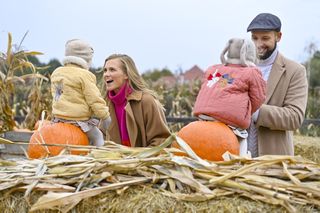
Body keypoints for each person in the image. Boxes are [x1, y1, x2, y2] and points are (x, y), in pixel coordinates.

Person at [246, 13, 308, 156]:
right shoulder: (241, 68)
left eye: (265, 38)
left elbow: (294, 117)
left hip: (274, 162)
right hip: (237, 161)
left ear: (278, 37)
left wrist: (254, 111)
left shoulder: (295, 71)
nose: (258, 44)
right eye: (254, 38)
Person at [193, 38, 266, 156]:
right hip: (229, 119)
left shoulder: (214, 69)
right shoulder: (251, 72)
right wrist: (247, 111)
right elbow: (258, 98)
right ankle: (241, 160)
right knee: (242, 137)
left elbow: (215, 86)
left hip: (203, 115)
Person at [51, 39, 111, 147]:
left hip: (58, 119)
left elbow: (55, 95)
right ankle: (98, 157)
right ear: (86, 59)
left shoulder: (57, 72)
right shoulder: (84, 75)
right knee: (97, 136)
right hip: (77, 120)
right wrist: (105, 116)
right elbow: (94, 99)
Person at [102, 54, 171, 147]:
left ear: (126, 74)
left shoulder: (146, 101)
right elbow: (101, 139)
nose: (106, 74)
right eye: (105, 70)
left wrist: (142, 159)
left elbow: (161, 140)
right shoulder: (105, 104)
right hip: (116, 160)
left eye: (112, 70)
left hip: (144, 160)